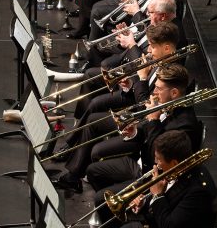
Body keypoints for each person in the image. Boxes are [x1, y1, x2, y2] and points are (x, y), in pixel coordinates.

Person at [54, 64, 201, 193]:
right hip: (141, 155)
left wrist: (153, 120)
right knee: (93, 169)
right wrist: (134, 131)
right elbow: (148, 133)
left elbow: (157, 157)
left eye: (158, 88)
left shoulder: (184, 125)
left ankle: (126, 206)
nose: (154, 92)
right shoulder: (169, 103)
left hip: (151, 172)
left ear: (174, 93)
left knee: (96, 164)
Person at [91, 130, 217, 228]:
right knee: (103, 203)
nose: (156, 164)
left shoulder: (198, 192)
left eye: (159, 159)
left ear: (174, 163)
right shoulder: (178, 167)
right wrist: (145, 201)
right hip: (152, 220)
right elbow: (168, 197)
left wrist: (157, 196)